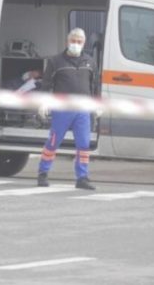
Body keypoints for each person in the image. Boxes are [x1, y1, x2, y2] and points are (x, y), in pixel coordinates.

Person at [36, 28, 98, 190]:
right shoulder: (55, 62)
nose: (76, 44)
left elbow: (94, 86)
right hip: (62, 109)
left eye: (79, 41)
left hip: (82, 110)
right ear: (67, 41)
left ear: (84, 43)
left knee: (84, 145)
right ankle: (43, 173)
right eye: (73, 41)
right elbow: (46, 85)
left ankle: (82, 178)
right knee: (53, 142)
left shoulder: (90, 62)